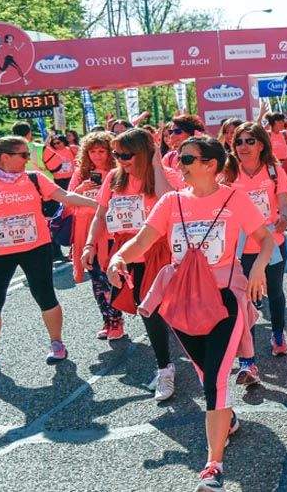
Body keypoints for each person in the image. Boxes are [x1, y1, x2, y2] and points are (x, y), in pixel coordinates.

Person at [107, 136, 274, 491]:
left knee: (215, 381)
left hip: (224, 301)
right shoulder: (170, 202)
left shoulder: (234, 198)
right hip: (181, 302)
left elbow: (267, 238)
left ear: (211, 164)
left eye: (187, 159)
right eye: (181, 159)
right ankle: (226, 422)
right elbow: (142, 241)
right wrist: (118, 256)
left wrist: (258, 268)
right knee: (203, 373)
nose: (179, 165)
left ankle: (213, 467)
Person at [0, 136, 98, 377]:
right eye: (23, 155)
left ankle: (57, 344)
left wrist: (100, 205)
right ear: (4, 158)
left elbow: (67, 197)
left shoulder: (34, 178)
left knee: (45, 295)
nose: (28, 159)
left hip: (36, 248)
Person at [84, 128, 176, 401]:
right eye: (116, 154)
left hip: (160, 251)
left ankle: (169, 368)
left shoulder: (164, 176)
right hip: (127, 252)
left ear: (144, 153)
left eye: (126, 155)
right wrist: (90, 244)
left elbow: (167, 200)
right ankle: (167, 365)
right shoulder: (114, 178)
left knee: (158, 311)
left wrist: (157, 164)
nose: (119, 160)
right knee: (148, 310)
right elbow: (100, 215)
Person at [223, 121, 287, 366]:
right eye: (239, 141)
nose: (243, 146)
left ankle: (277, 334)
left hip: (271, 241)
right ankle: (247, 354)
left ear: (261, 144)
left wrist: (285, 216)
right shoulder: (228, 170)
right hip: (241, 246)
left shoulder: (274, 169)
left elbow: (284, 199)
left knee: (274, 292)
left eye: (249, 141)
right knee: (246, 298)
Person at [66, 132, 117, 335]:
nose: (96, 156)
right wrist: (80, 188)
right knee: (96, 278)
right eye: (92, 151)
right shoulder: (80, 173)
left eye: (101, 151)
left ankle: (121, 316)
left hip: (112, 231)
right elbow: (68, 203)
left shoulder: (118, 171)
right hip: (86, 231)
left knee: (112, 276)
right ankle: (111, 321)